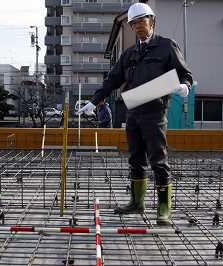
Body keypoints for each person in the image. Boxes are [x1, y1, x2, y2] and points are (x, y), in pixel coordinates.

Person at [77, 3, 193, 225]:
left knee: (158, 159)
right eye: (134, 24)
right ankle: (136, 202)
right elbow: (112, 79)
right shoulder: (129, 53)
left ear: (152, 21)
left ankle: (163, 208)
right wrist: (93, 101)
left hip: (154, 112)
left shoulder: (167, 47)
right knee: (135, 158)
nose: (138, 26)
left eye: (142, 21)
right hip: (133, 111)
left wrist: (185, 85)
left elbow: (184, 72)